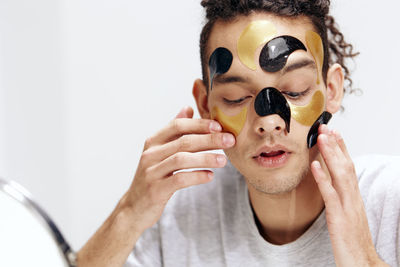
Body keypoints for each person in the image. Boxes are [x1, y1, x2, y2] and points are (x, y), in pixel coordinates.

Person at [77, 0, 399, 266]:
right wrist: (128, 214)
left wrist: (364, 259)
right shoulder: (182, 216)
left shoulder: (390, 202)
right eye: (236, 98)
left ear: (331, 89)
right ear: (205, 103)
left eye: (295, 90)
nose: (269, 120)